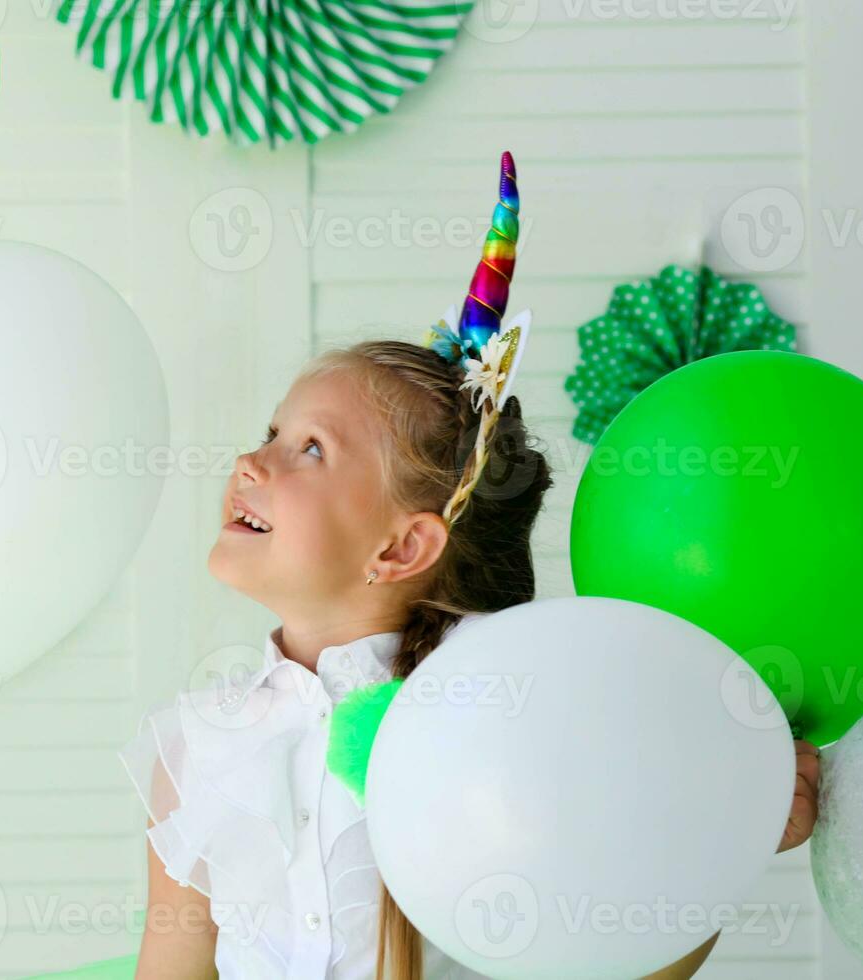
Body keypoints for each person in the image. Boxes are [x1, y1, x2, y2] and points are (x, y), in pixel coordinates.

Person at [119, 152, 820, 979]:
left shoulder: (520, 702)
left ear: (403, 546)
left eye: (310, 448)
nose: (251, 460)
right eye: (273, 432)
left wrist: (728, 827)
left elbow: (624, 950)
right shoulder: (198, 747)